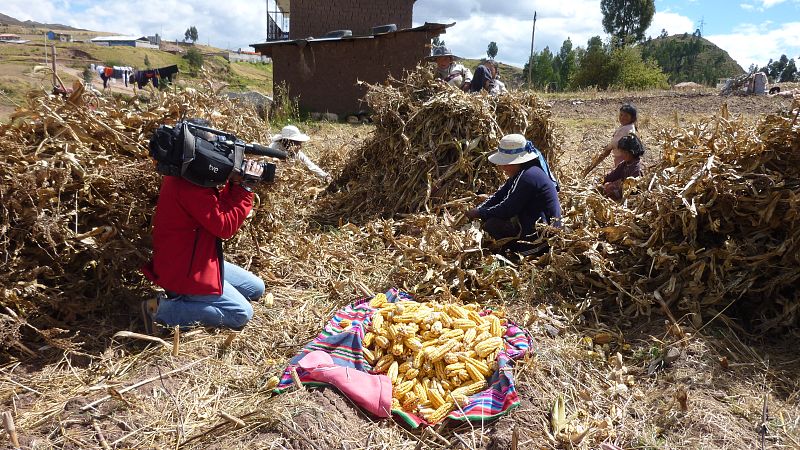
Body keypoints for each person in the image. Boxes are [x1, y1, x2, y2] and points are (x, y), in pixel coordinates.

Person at [140, 119, 266, 333]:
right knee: (241, 313)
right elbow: (224, 226)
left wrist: (234, 184)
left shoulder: (187, 176)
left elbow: (217, 210)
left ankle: (200, 299)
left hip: (195, 261)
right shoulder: (190, 188)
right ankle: (161, 311)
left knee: (256, 288)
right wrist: (245, 188)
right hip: (184, 273)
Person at [466, 134, 561, 253]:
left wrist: (480, 213)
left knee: (492, 224)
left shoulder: (528, 178)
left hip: (539, 241)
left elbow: (506, 209)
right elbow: (500, 195)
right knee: (490, 218)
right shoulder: (526, 171)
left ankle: (514, 253)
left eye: (505, 164)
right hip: (538, 231)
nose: (502, 167)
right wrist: (480, 208)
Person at [582, 104, 638, 176]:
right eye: (621, 115)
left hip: (623, 158)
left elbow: (616, 143)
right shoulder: (627, 127)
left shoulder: (627, 129)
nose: (622, 117)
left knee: (619, 177)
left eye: (626, 116)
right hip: (621, 157)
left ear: (632, 118)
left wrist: (608, 148)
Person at [602, 134, 644, 201]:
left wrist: (616, 191)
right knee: (608, 186)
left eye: (624, 152)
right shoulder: (624, 164)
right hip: (624, 192)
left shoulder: (637, 169)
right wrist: (602, 180)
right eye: (621, 151)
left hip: (633, 198)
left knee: (610, 189)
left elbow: (634, 191)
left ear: (632, 152)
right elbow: (613, 175)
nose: (622, 154)